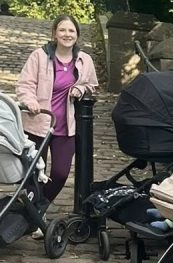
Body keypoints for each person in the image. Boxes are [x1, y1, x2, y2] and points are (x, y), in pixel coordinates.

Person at [16, 14, 98, 236]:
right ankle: (35, 218)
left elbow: (92, 84)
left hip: (66, 126)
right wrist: (31, 101)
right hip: (37, 123)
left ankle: (38, 208)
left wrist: (81, 89)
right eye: (62, 30)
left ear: (77, 35)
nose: (67, 34)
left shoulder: (84, 60)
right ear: (54, 33)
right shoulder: (39, 56)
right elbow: (24, 85)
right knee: (33, 175)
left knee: (61, 173)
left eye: (71, 31)